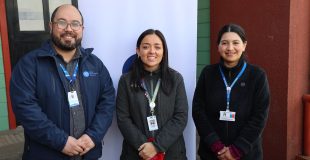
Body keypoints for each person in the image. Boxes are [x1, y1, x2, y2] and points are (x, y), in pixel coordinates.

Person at [10, 4, 115, 160]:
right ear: (51, 26)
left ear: (82, 29)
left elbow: (107, 102)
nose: (69, 29)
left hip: (87, 154)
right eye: (61, 22)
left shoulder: (95, 65)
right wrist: (61, 142)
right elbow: (25, 108)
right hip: (46, 154)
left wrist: (93, 136)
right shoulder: (30, 64)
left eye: (75, 24)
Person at [192, 23, 270, 160]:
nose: (230, 48)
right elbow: (198, 111)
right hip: (212, 153)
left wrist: (237, 149)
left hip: (247, 154)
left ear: (244, 45)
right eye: (224, 43)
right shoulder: (208, 74)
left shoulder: (257, 76)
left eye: (235, 43)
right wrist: (215, 145)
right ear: (218, 46)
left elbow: (259, 116)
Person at [116, 29, 188, 160]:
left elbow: (181, 117)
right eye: (145, 47)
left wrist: (157, 146)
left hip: (171, 153)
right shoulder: (126, 80)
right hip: (136, 153)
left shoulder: (176, 79)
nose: (152, 51)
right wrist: (144, 146)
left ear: (164, 51)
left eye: (157, 47)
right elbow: (123, 118)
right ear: (138, 51)